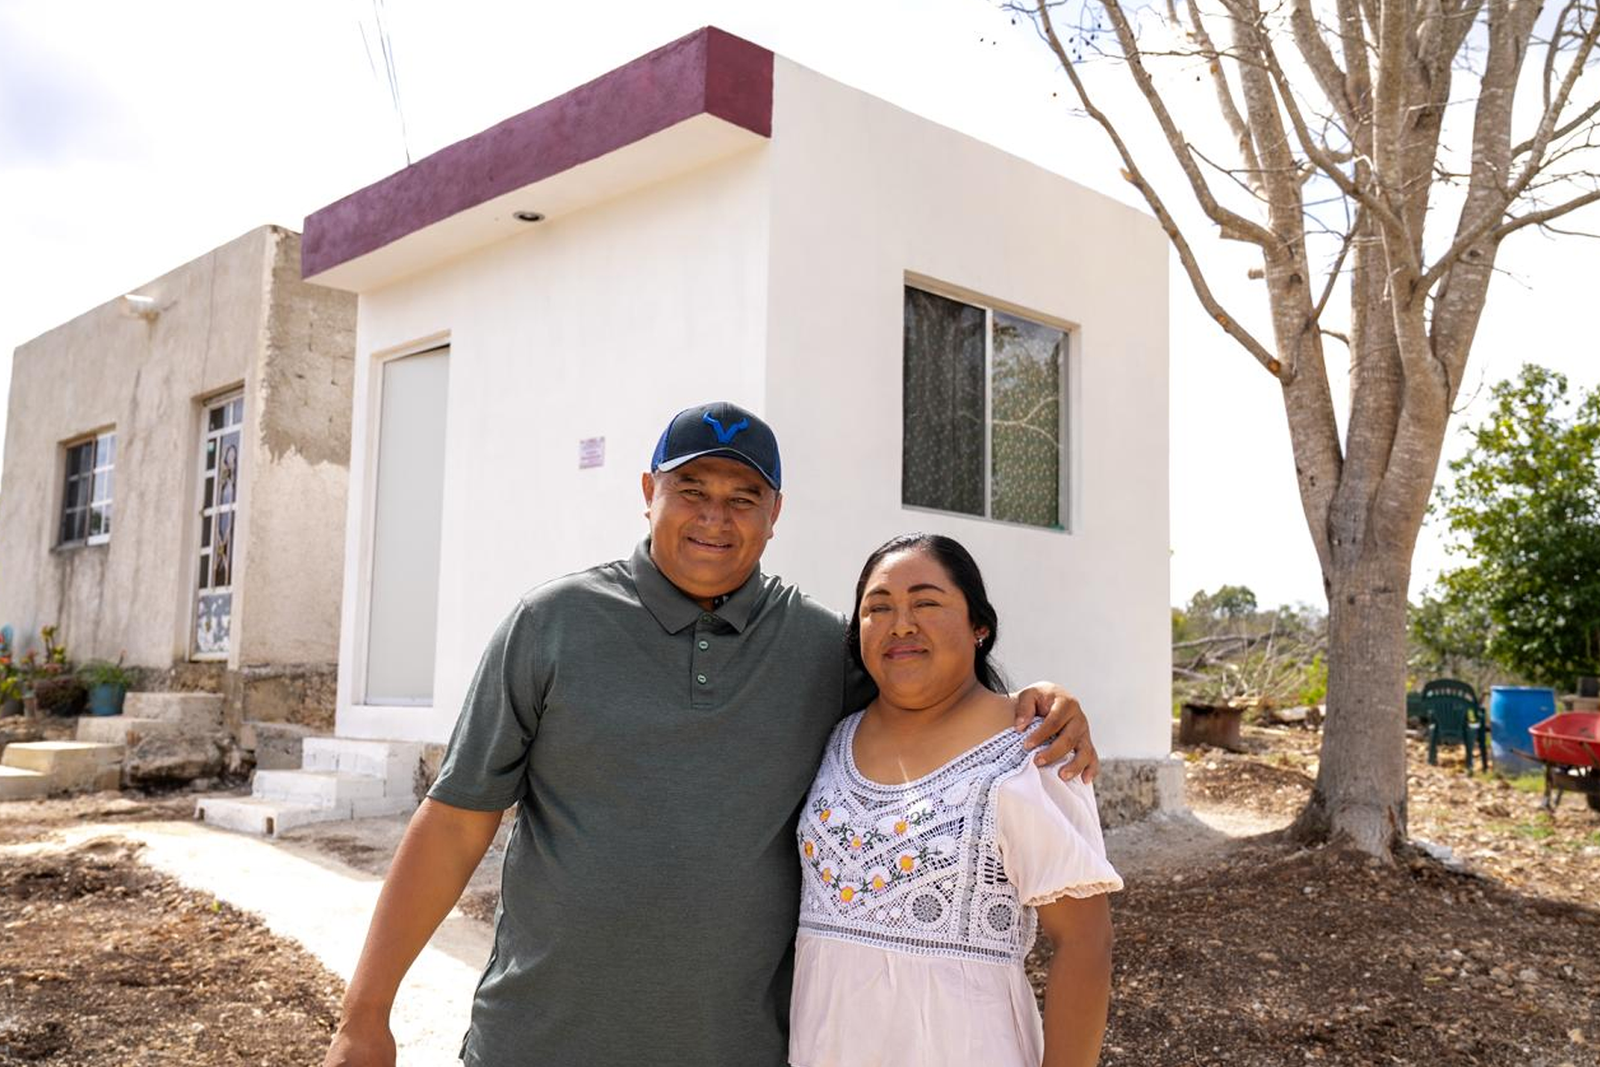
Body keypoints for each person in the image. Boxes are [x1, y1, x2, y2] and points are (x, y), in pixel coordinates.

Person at [323, 402, 1101, 1067]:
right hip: (538, 1040)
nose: (715, 517)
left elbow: (927, 683)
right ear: (648, 494)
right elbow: (455, 823)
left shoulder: (819, 648)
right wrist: (366, 1011)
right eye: (691, 490)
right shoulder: (551, 624)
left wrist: (1038, 703)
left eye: (743, 497)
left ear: (775, 513)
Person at [789, 533, 1120, 1067]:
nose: (901, 624)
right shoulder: (832, 735)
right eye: (878, 607)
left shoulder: (1031, 753)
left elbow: (1085, 944)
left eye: (926, 603)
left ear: (978, 626)